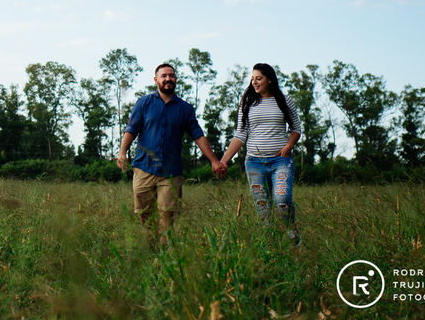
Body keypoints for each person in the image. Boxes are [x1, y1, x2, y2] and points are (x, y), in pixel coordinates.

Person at [117, 63, 226, 237]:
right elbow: (131, 129)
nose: (168, 79)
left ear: (176, 79)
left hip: (171, 172)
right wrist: (122, 152)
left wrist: (214, 160)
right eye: (164, 76)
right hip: (144, 169)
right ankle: (148, 253)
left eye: (172, 76)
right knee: (145, 216)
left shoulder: (185, 109)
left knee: (168, 217)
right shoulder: (143, 103)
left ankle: (164, 257)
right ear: (156, 80)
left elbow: (198, 135)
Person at [219, 62, 302, 246]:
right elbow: (240, 134)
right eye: (252, 79)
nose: (254, 82)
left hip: (281, 160)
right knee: (262, 207)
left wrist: (289, 145)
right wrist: (224, 161)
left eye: (259, 78)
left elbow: (296, 129)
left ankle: (291, 230)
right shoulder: (247, 102)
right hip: (254, 162)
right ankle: (268, 245)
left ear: (269, 80)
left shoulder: (285, 100)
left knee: (282, 199)